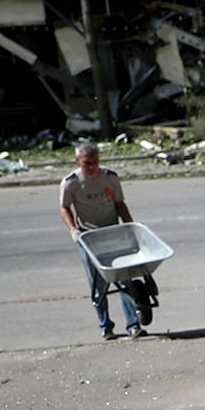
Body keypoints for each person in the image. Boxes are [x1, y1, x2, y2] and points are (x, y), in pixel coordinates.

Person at [58, 139, 142, 339]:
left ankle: (133, 325)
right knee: (98, 286)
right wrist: (73, 230)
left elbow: (119, 204)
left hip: (113, 234)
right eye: (87, 163)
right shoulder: (71, 183)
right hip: (89, 237)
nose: (92, 167)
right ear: (78, 161)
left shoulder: (110, 178)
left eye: (95, 162)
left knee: (124, 281)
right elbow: (64, 208)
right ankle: (106, 326)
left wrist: (131, 227)